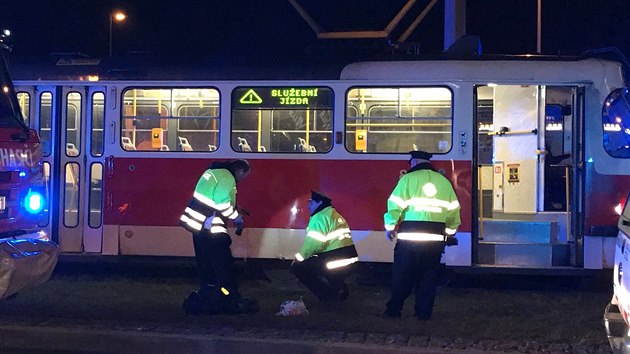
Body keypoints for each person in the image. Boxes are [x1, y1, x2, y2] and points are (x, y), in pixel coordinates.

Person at [383, 151, 461, 320]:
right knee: (428, 278)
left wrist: (390, 227)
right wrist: (448, 233)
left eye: (410, 161)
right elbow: (454, 211)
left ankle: (394, 310)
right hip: (434, 240)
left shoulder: (407, 179)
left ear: (416, 161)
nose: (409, 164)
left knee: (402, 275)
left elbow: (395, 205)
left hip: (409, 239)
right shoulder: (444, 182)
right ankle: (423, 313)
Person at [179, 159, 257, 314]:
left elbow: (212, 199)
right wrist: (236, 217)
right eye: (244, 176)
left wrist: (233, 207)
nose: (242, 180)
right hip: (212, 228)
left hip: (199, 227)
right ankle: (229, 297)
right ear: (240, 171)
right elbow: (221, 204)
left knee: (206, 265)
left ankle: (210, 294)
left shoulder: (214, 172)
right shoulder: (227, 177)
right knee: (223, 264)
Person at [290, 191, 359, 302]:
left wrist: (297, 260)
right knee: (322, 265)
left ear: (320, 203)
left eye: (311, 203)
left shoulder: (319, 218)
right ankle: (339, 289)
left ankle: (327, 296)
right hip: (350, 260)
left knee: (299, 268)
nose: (308, 206)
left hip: (336, 262)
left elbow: (312, 245)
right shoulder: (334, 215)